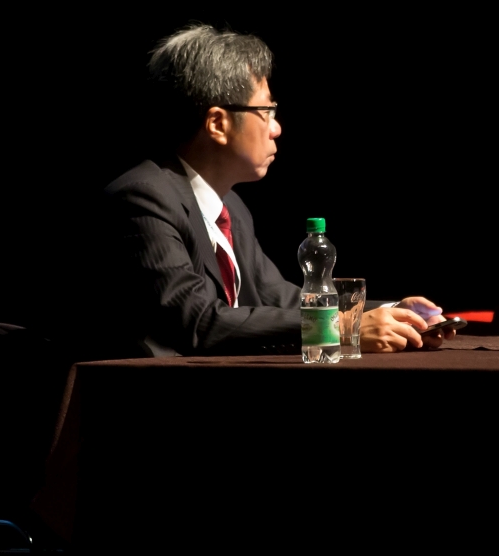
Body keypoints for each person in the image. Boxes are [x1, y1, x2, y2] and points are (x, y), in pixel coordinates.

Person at [87, 24, 442, 356]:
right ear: (217, 124)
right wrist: (341, 327)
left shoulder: (230, 206)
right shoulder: (142, 199)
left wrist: (392, 313)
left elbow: (278, 298)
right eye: (266, 110)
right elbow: (198, 321)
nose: (276, 128)